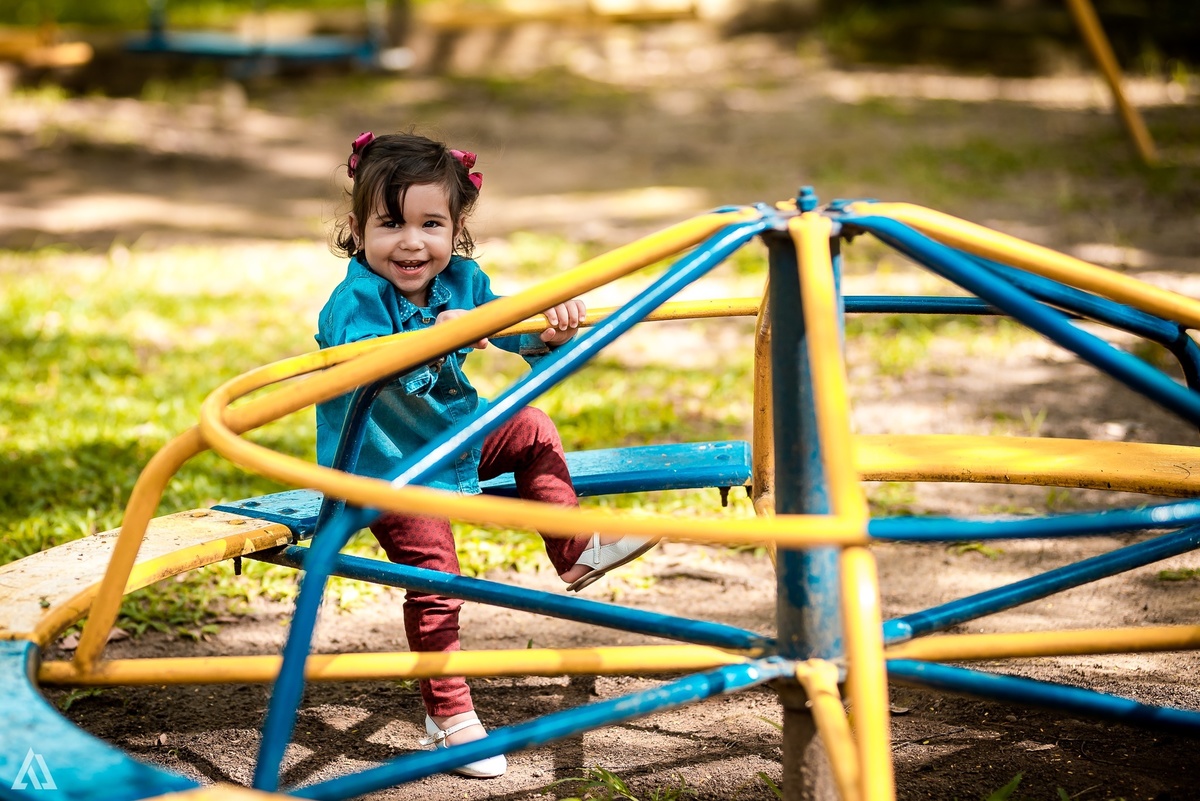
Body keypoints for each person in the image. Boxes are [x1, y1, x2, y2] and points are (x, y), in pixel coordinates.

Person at [314, 131, 656, 778]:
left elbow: (510, 326)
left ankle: (575, 548)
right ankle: (449, 717)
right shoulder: (354, 302)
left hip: (453, 438)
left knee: (531, 427)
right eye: (390, 224)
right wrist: (434, 338)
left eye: (431, 224)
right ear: (358, 231)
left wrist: (548, 326)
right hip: (387, 468)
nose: (412, 243)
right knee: (437, 580)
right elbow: (370, 361)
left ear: (457, 228)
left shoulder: (462, 281)